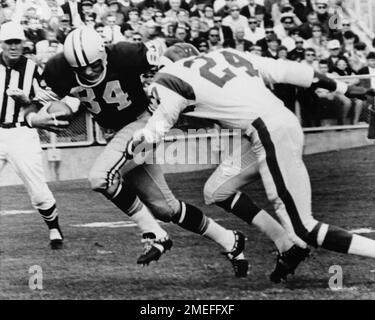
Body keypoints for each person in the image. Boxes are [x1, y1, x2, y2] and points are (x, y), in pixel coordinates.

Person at [131, 43, 375, 280]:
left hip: (270, 133)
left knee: (305, 229)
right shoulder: (227, 55)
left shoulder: (170, 77)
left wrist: (138, 142)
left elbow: (161, 122)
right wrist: (343, 88)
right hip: (272, 128)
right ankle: (285, 244)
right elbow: (291, 71)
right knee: (217, 190)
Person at [28, 27, 248, 276]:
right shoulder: (59, 69)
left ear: (103, 55)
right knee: (167, 209)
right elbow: (40, 104)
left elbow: (168, 57)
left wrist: (166, 91)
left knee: (101, 177)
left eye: (94, 66)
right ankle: (231, 240)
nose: (88, 72)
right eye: (81, 69)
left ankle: (154, 234)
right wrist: (35, 118)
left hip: (144, 125)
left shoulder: (125, 54)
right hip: (116, 134)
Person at [0, 21, 64, 250]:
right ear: (2, 44)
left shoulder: (32, 69)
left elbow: (46, 100)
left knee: (37, 189)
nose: (14, 47)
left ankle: (54, 229)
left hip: (21, 132)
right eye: (9, 43)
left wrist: (28, 103)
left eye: (18, 42)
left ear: (24, 44)